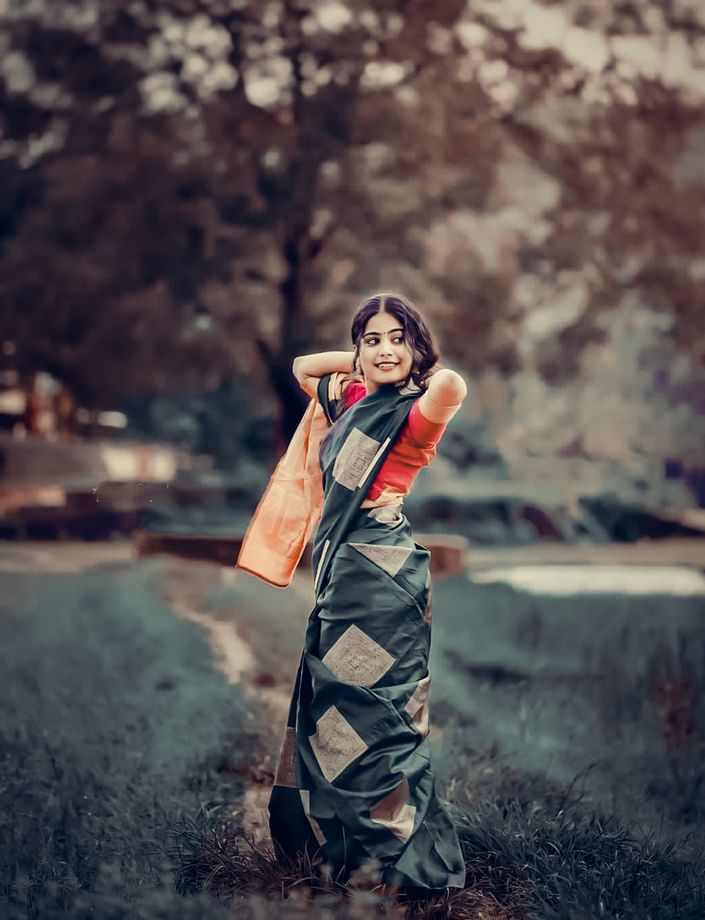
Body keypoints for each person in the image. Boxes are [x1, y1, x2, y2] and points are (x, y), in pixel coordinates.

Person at [237, 292, 467, 893]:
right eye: (373, 339)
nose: (385, 348)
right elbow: (302, 368)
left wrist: (403, 363)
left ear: (415, 348)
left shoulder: (414, 415)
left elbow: (452, 385)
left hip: (385, 581)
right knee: (335, 710)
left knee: (379, 714)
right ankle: (345, 845)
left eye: (398, 338)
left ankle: (391, 854)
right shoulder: (351, 401)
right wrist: (362, 364)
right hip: (343, 578)